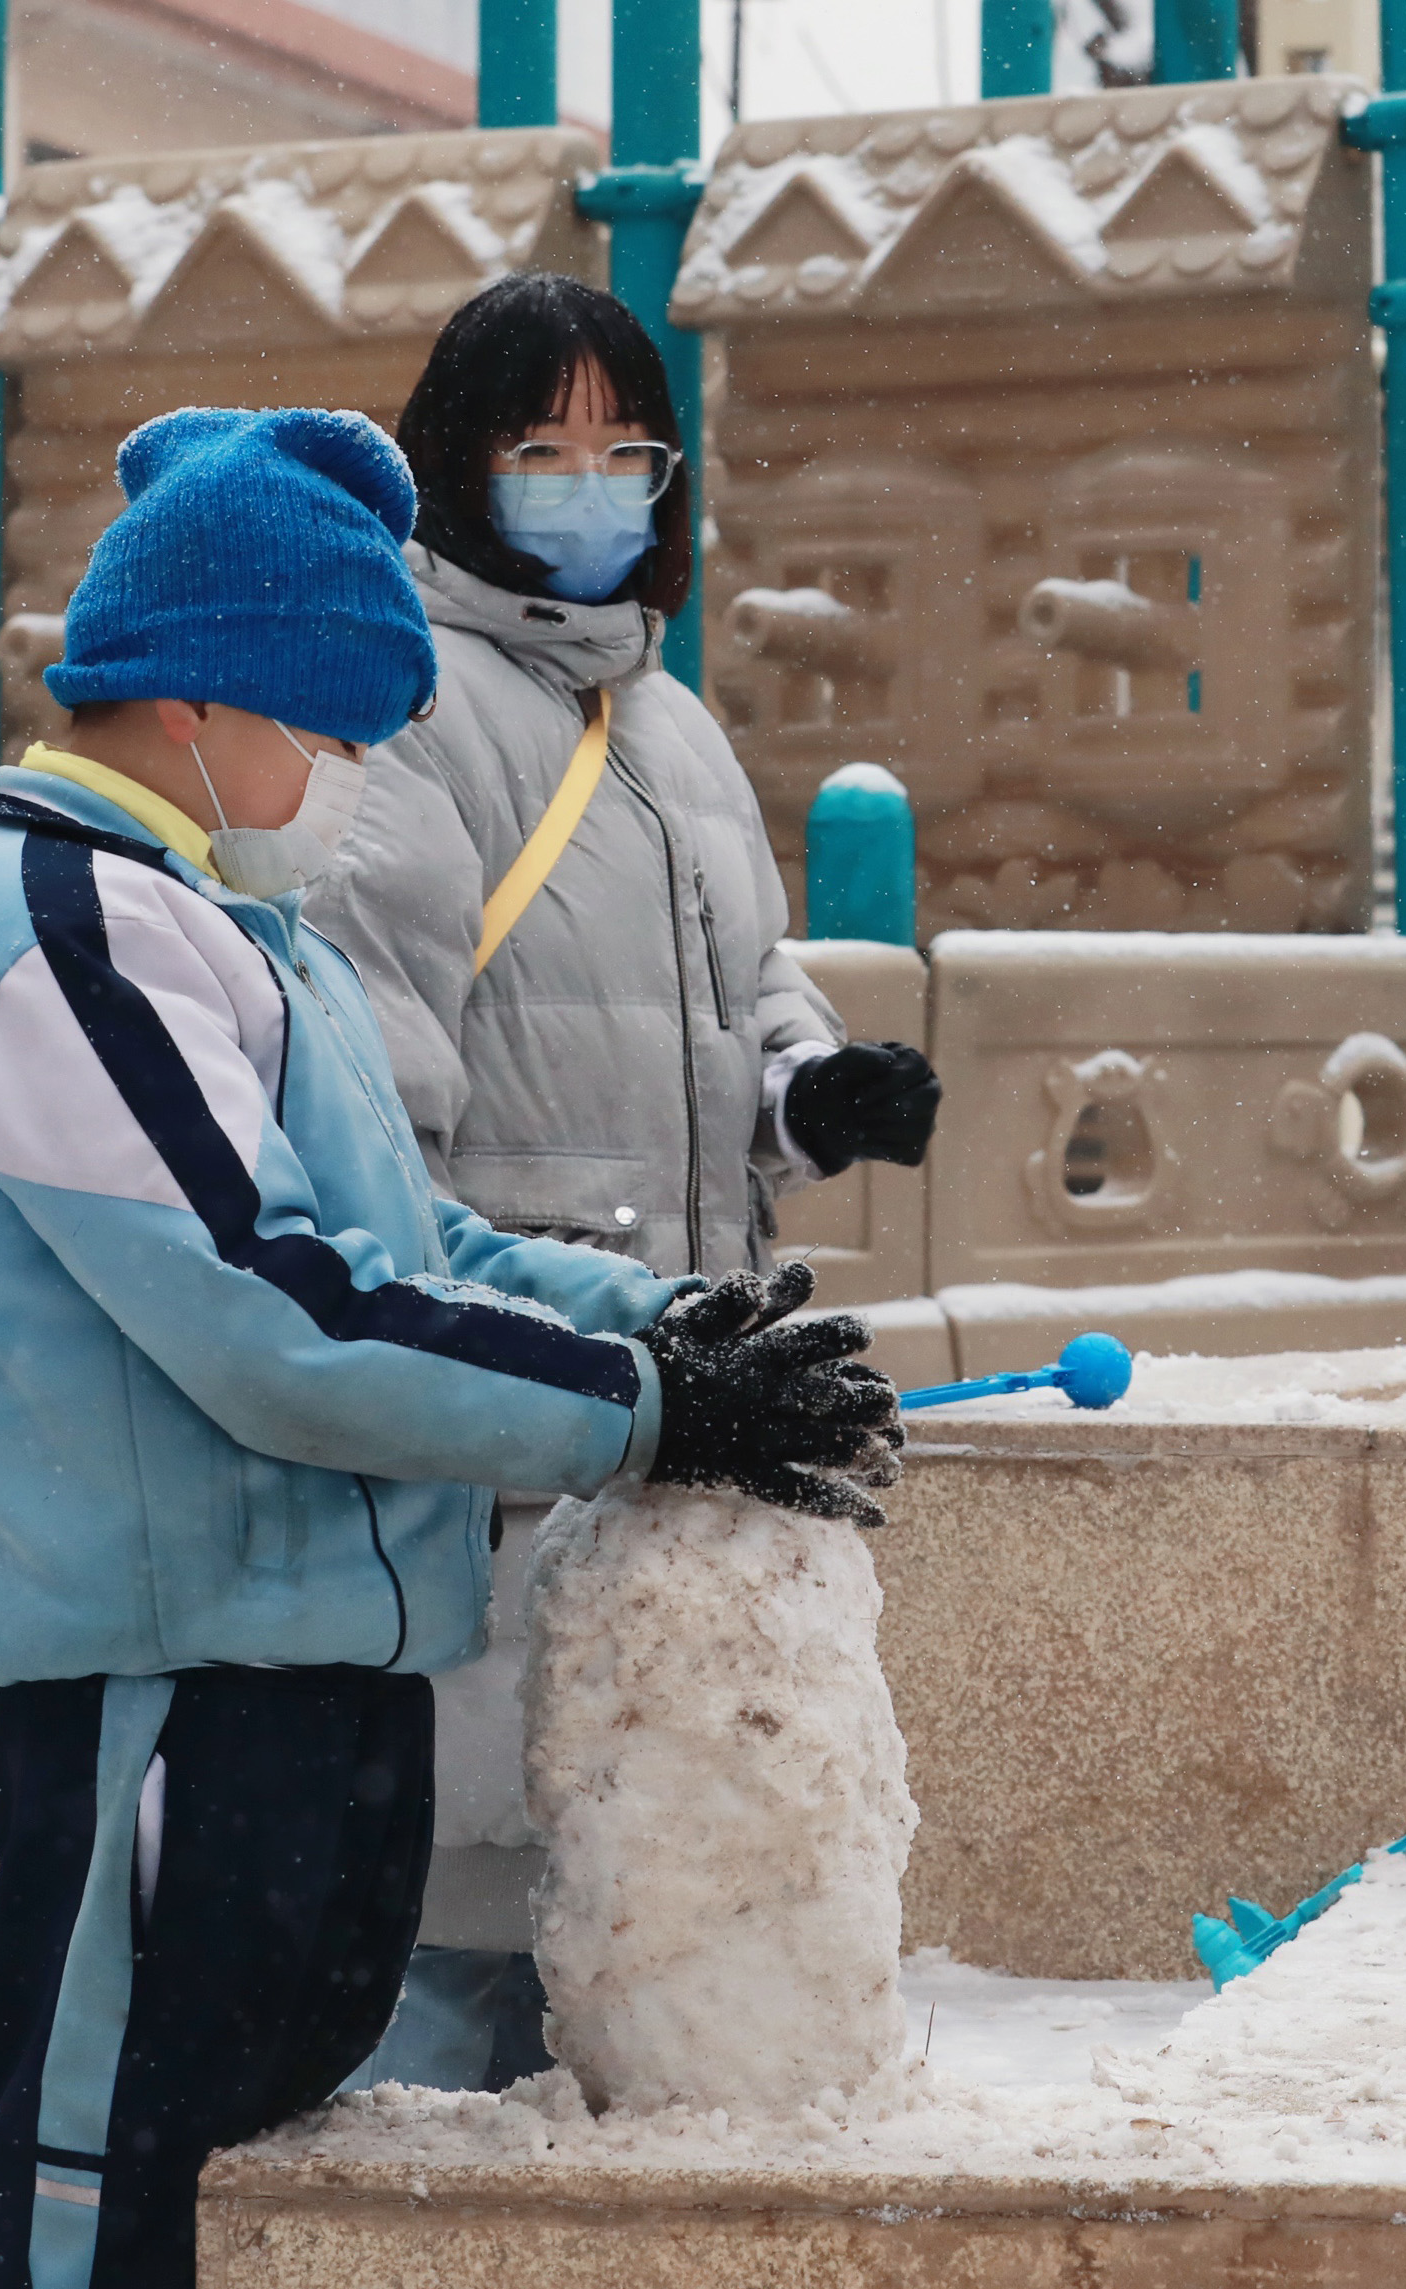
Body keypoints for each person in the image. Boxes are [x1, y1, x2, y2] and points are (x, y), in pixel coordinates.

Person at [0, 405, 903, 2289]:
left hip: (325, 1678)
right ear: (208, 698)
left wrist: (667, 1317)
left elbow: (415, 1249)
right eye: (340, 728)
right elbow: (264, 1303)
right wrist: (647, 1409)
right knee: (100, 2185)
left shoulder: (256, 943)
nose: (351, 770)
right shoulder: (46, 920)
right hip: (165, 1685)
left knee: (251, 2168)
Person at [304, 272, 940, 2093]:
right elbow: (374, 1124)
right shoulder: (407, 722)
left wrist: (811, 1090)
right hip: (497, 1420)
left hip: (676, 1406)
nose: (592, 488)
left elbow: (744, 991)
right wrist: (497, 1336)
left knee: (625, 1903)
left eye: (626, 452)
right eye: (542, 450)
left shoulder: (671, 724)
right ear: (459, 466)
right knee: (454, 1913)